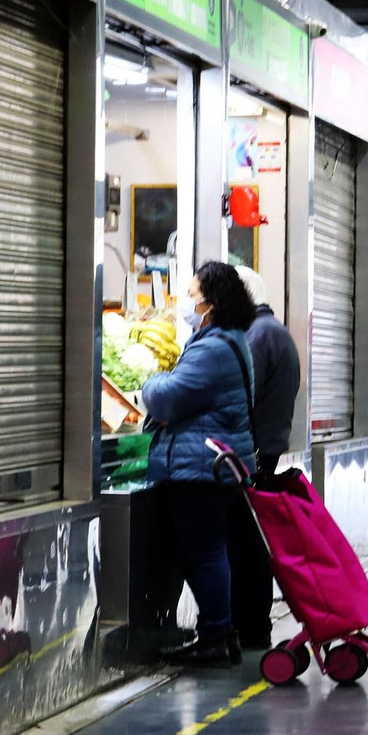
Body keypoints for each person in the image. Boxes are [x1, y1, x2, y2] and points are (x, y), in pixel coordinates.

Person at [141, 261, 258, 667]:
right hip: (214, 464)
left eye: (191, 296)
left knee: (204, 553)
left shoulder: (212, 348)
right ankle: (219, 633)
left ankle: (213, 635)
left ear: (212, 302)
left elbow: (167, 398)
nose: (186, 303)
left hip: (202, 469)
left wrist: (151, 379)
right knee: (207, 551)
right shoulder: (228, 339)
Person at [230, 266, 302, 649]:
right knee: (250, 539)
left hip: (254, 449)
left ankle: (250, 625)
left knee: (245, 542)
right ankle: (251, 624)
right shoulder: (273, 330)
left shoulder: (257, 337)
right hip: (266, 446)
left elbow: (239, 393)